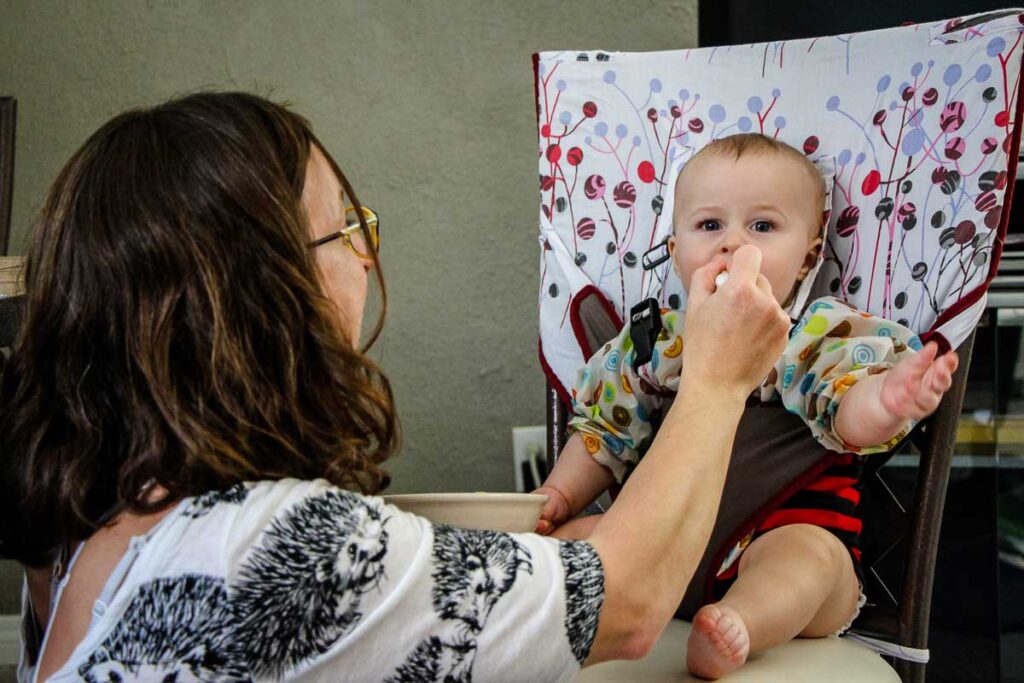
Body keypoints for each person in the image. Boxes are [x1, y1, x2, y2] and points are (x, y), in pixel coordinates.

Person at [0, 93, 790, 682]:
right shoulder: (270, 544)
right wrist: (718, 379)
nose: (368, 258)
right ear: (262, 287)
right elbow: (628, 601)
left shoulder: (94, 521)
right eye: (347, 228)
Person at [533, 133, 960, 679]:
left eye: (762, 226)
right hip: (653, 549)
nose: (732, 244)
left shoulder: (818, 335)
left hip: (779, 534)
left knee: (811, 561)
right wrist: (560, 495)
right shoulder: (652, 344)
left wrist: (886, 397)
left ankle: (739, 624)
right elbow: (601, 433)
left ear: (808, 255)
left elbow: (849, 417)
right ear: (675, 249)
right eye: (710, 225)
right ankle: (535, 625)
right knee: (569, 545)